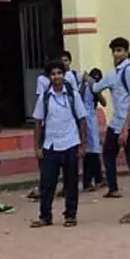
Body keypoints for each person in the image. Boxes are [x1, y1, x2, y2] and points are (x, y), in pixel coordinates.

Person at [94, 37, 130, 215]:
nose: (116, 54)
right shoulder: (116, 73)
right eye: (114, 51)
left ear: (127, 52)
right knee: (109, 153)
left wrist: (126, 127)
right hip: (117, 124)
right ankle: (115, 188)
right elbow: (96, 88)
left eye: (120, 50)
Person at [31, 61, 89, 228]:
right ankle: (45, 216)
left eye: (59, 73)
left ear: (64, 75)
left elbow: (82, 120)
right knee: (47, 183)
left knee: (71, 182)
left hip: (71, 143)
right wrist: (37, 147)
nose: (57, 77)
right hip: (50, 145)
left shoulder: (73, 95)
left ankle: (70, 215)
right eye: (53, 74)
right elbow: (38, 123)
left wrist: (83, 145)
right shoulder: (44, 98)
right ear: (49, 77)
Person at [80, 68, 105, 191]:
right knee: (92, 150)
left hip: (89, 117)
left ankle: (96, 179)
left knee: (93, 149)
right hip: (87, 118)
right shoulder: (89, 86)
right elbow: (104, 102)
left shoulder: (88, 86)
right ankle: (90, 180)